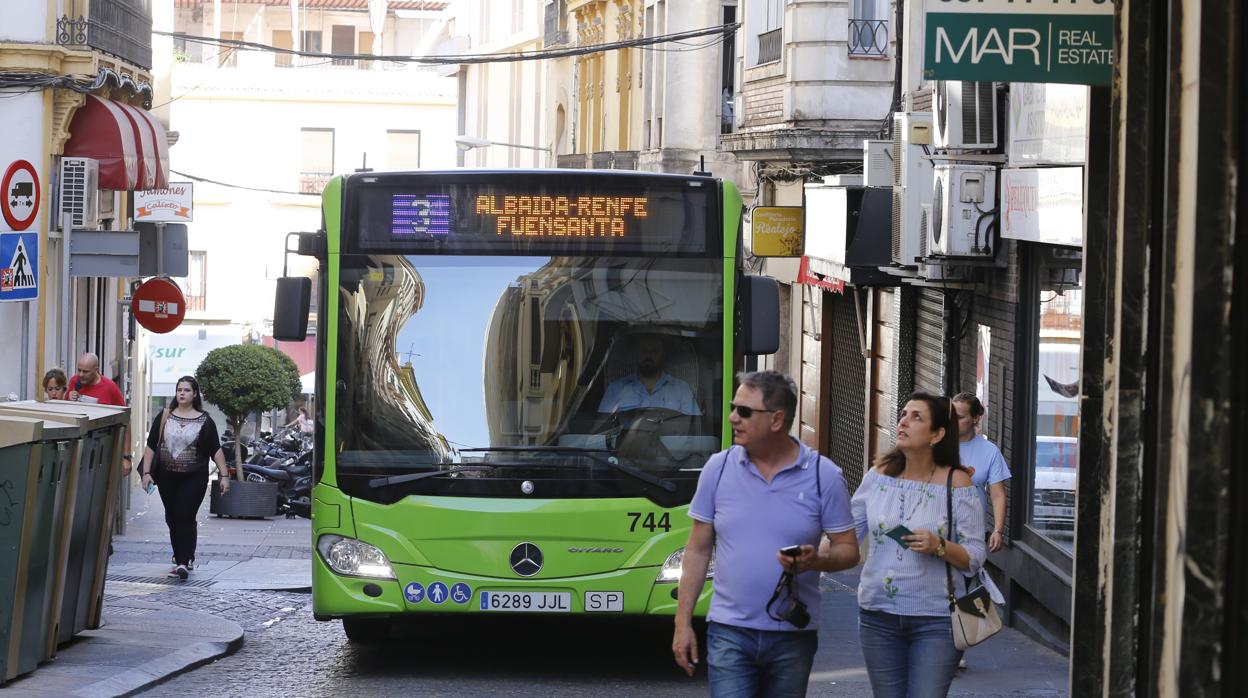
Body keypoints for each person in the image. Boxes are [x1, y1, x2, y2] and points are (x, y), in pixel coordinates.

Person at [672, 370, 859, 696]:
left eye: (744, 411)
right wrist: (682, 622)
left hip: (792, 635)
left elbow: (848, 549)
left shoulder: (823, 476)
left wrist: (817, 562)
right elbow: (698, 549)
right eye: (733, 407)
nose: (733, 418)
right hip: (729, 631)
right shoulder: (718, 468)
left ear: (776, 420)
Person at [851, 391, 986, 698]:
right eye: (903, 414)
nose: (903, 422)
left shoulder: (958, 483)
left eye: (916, 417)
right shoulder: (878, 476)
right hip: (878, 615)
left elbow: (976, 557)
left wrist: (940, 546)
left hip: (937, 620)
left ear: (938, 434)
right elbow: (846, 533)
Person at [139, 375, 230, 580]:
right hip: (166, 477)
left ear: (195, 394)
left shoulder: (205, 420)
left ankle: (182, 563)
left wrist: (224, 476)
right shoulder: (164, 416)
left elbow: (215, 450)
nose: (182, 393)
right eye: (179, 389)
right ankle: (184, 555)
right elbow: (151, 446)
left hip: (194, 478)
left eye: (187, 390)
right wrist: (146, 474)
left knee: (184, 516)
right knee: (172, 518)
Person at [952, 392, 1009, 553]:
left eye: (960, 417)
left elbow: (998, 495)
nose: (953, 422)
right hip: (940, 527)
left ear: (975, 418)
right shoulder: (937, 445)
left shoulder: (990, 451)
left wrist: (998, 530)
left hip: (974, 531)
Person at [599, 335, 700, 415]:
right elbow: (602, 430)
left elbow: (695, 432)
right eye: (644, 350)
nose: (649, 355)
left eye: (655, 350)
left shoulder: (682, 389)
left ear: (663, 356)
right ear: (636, 354)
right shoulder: (616, 389)